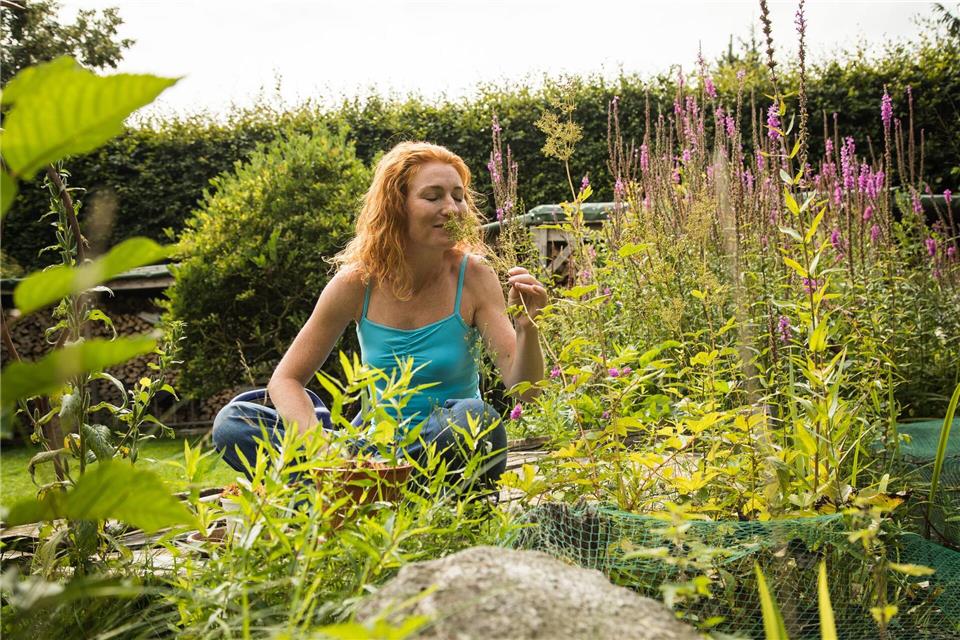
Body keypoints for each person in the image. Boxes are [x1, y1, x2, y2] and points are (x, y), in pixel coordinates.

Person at [211, 141, 547, 490]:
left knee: (474, 420)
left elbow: (528, 393)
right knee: (234, 422)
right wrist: (318, 444)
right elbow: (285, 380)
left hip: (442, 445)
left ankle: (354, 493)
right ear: (396, 205)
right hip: (369, 453)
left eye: (458, 197)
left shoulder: (475, 277)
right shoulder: (357, 282)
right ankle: (365, 484)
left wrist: (528, 328)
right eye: (433, 197)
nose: (452, 208)